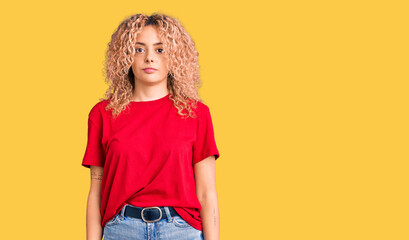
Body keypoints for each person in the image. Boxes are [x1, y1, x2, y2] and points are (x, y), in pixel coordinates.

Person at [81, 13, 221, 240]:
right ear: (125, 56)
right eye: (139, 49)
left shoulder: (197, 114)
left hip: (180, 230)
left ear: (175, 56)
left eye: (160, 49)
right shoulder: (102, 114)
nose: (149, 58)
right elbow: (96, 194)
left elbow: (207, 193)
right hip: (122, 230)